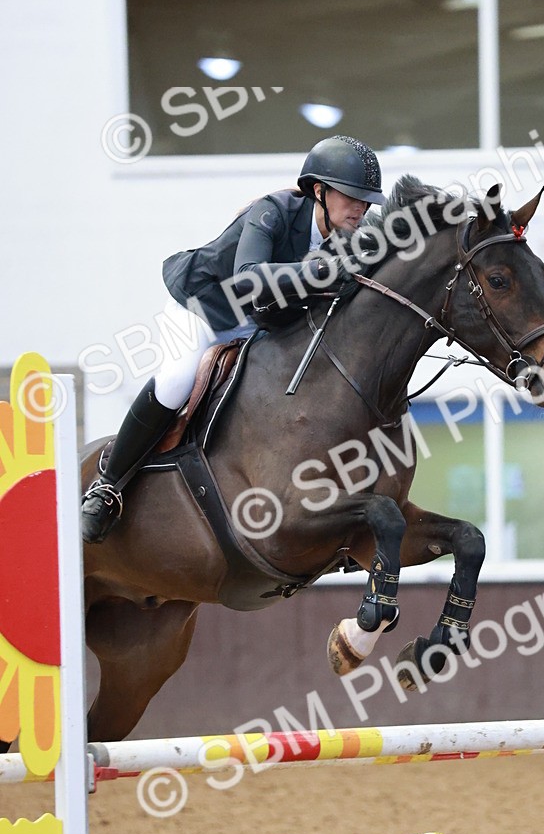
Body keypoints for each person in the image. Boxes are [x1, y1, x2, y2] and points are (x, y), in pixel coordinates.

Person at [80, 135, 385, 543]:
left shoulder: (351, 239)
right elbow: (248, 279)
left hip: (261, 325)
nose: (361, 208)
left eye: (366, 201)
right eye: (352, 197)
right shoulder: (273, 212)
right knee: (175, 382)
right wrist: (321, 274)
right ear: (319, 191)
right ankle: (108, 487)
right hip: (206, 310)